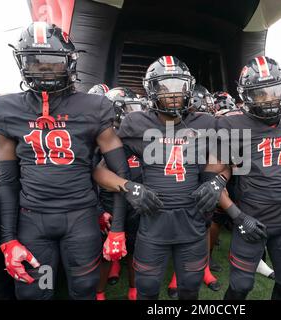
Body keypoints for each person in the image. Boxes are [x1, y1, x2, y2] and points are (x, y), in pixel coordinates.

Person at [0, 22, 134, 300]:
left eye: (52, 60)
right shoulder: (6, 109)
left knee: (84, 291)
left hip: (81, 218)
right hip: (32, 220)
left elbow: (121, 172)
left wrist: (117, 230)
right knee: (36, 293)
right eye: (34, 60)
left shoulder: (93, 107)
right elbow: (8, 180)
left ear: (69, 62)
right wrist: (8, 239)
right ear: (21, 62)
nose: (43, 67)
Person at [93, 56, 221, 300]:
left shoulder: (206, 122)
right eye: (165, 88)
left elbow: (227, 159)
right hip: (153, 223)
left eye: (179, 87)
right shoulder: (136, 123)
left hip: (192, 223)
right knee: (147, 288)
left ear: (189, 89)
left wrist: (218, 180)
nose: (173, 95)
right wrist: (128, 186)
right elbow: (100, 170)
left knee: (190, 288)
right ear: (152, 90)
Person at [215, 56, 281, 300]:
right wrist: (238, 216)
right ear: (246, 96)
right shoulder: (231, 123)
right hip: (251, 214)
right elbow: (215, 177)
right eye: (260, 93)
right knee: (241, 285)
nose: (269, 99)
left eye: (274, 90)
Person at [94, 86, 144, 301]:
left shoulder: (140, 139)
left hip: (135, 203)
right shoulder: (99, 141)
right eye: (128, 107)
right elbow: (90, 177)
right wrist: (97, 210)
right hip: (108, 205)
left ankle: (133, 289)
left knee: (135, 251)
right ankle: (99, 292)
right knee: (104, 254)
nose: (133, 112)